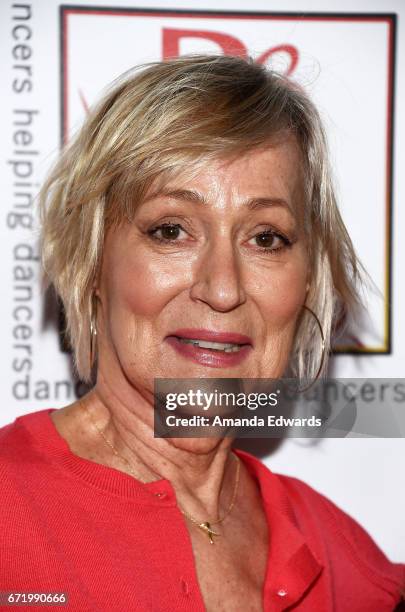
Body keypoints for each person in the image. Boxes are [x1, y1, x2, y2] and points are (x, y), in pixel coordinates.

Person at [0, 54, 403, 611]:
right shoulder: (9, 514)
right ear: (92, 262)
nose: (222, 288)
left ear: (309, 281)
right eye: (171, 230)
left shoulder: (342, 555)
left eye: (266, 238)